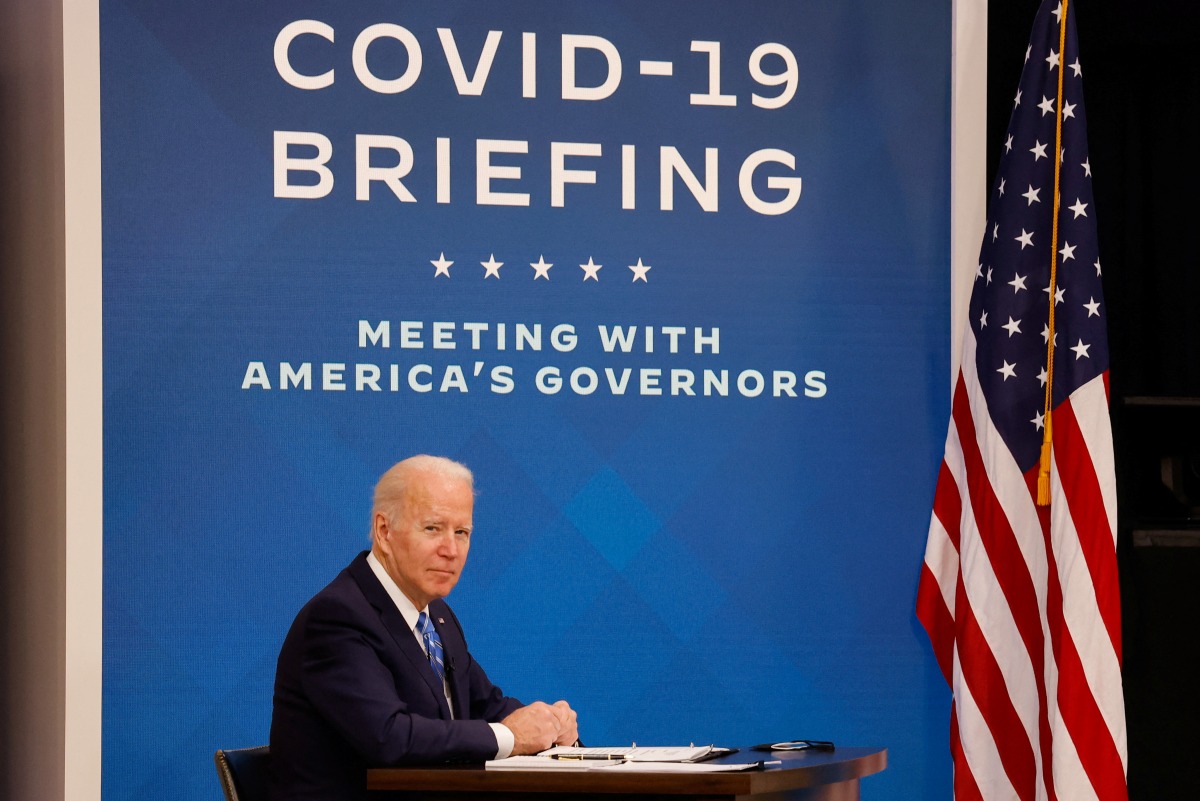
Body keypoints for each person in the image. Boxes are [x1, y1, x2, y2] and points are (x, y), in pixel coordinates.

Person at [269, 455, 578, 801]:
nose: (451, 550)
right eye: (432, 528)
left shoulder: (436, 616)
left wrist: (552, 726)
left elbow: (487, 706)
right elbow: (390, 737)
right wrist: (512, 737)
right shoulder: (337, 617)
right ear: (384, 531)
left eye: (461, 533)